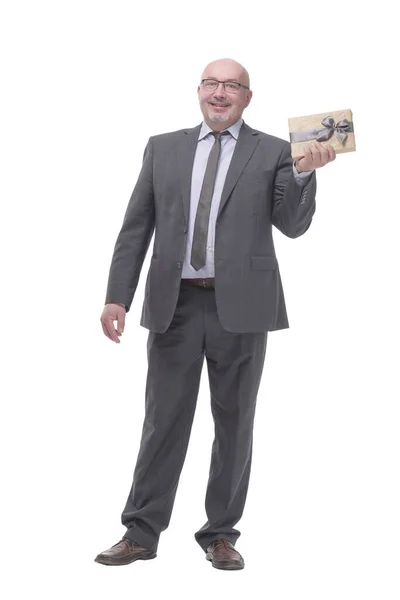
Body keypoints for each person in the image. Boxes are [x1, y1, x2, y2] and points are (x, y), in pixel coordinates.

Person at [95, 57, 336, 571]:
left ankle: (220, 534)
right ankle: (141, 531)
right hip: (174, 306)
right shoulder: (163, 148)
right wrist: (118, 295)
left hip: (242, 309)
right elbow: (135, 227)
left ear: (248, 97)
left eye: (232, 86)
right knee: (163, 421)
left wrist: (302, 174)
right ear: (198, 91)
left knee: (234, 423)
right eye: (212, 83)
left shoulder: (275, 151)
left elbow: (292, 226)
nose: (220, 92)